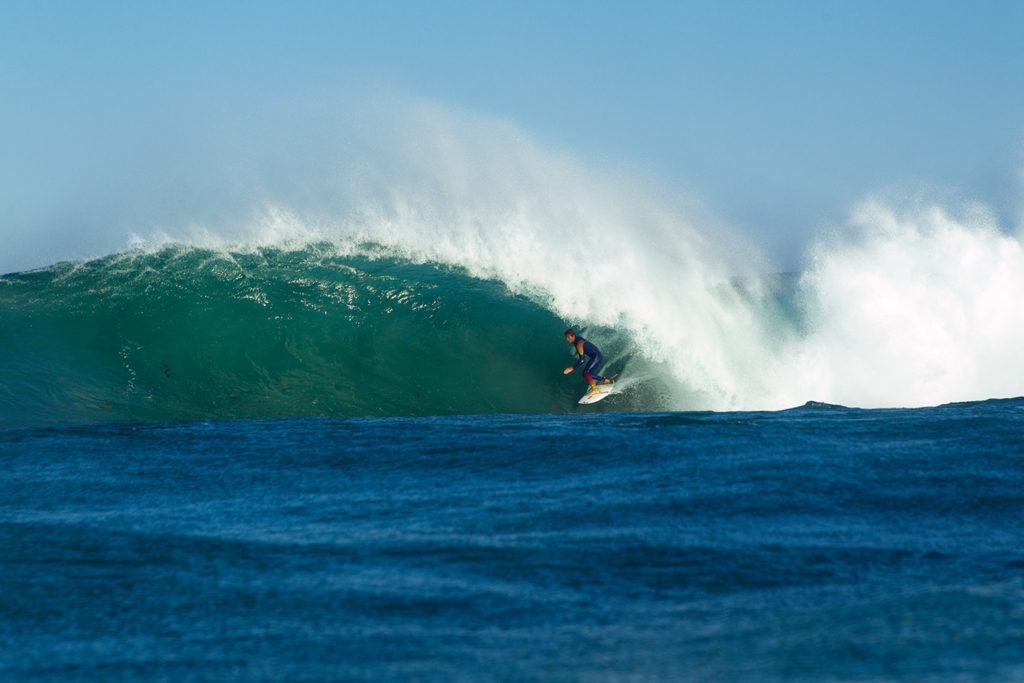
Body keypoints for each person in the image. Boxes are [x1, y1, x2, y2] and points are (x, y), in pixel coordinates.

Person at [562, 329, 612, 397]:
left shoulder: (578, 343)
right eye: (566, 337)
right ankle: (605, 380)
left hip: (597, 357)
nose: (567, 339)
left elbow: (582, 361)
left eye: (568, 337)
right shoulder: (576, 339)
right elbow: (581, 346)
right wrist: (577, 353)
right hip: (595, 356)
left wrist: (571, 368)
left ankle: (595, 390)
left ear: (573, 336)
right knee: (585, 374)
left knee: (586, 373)